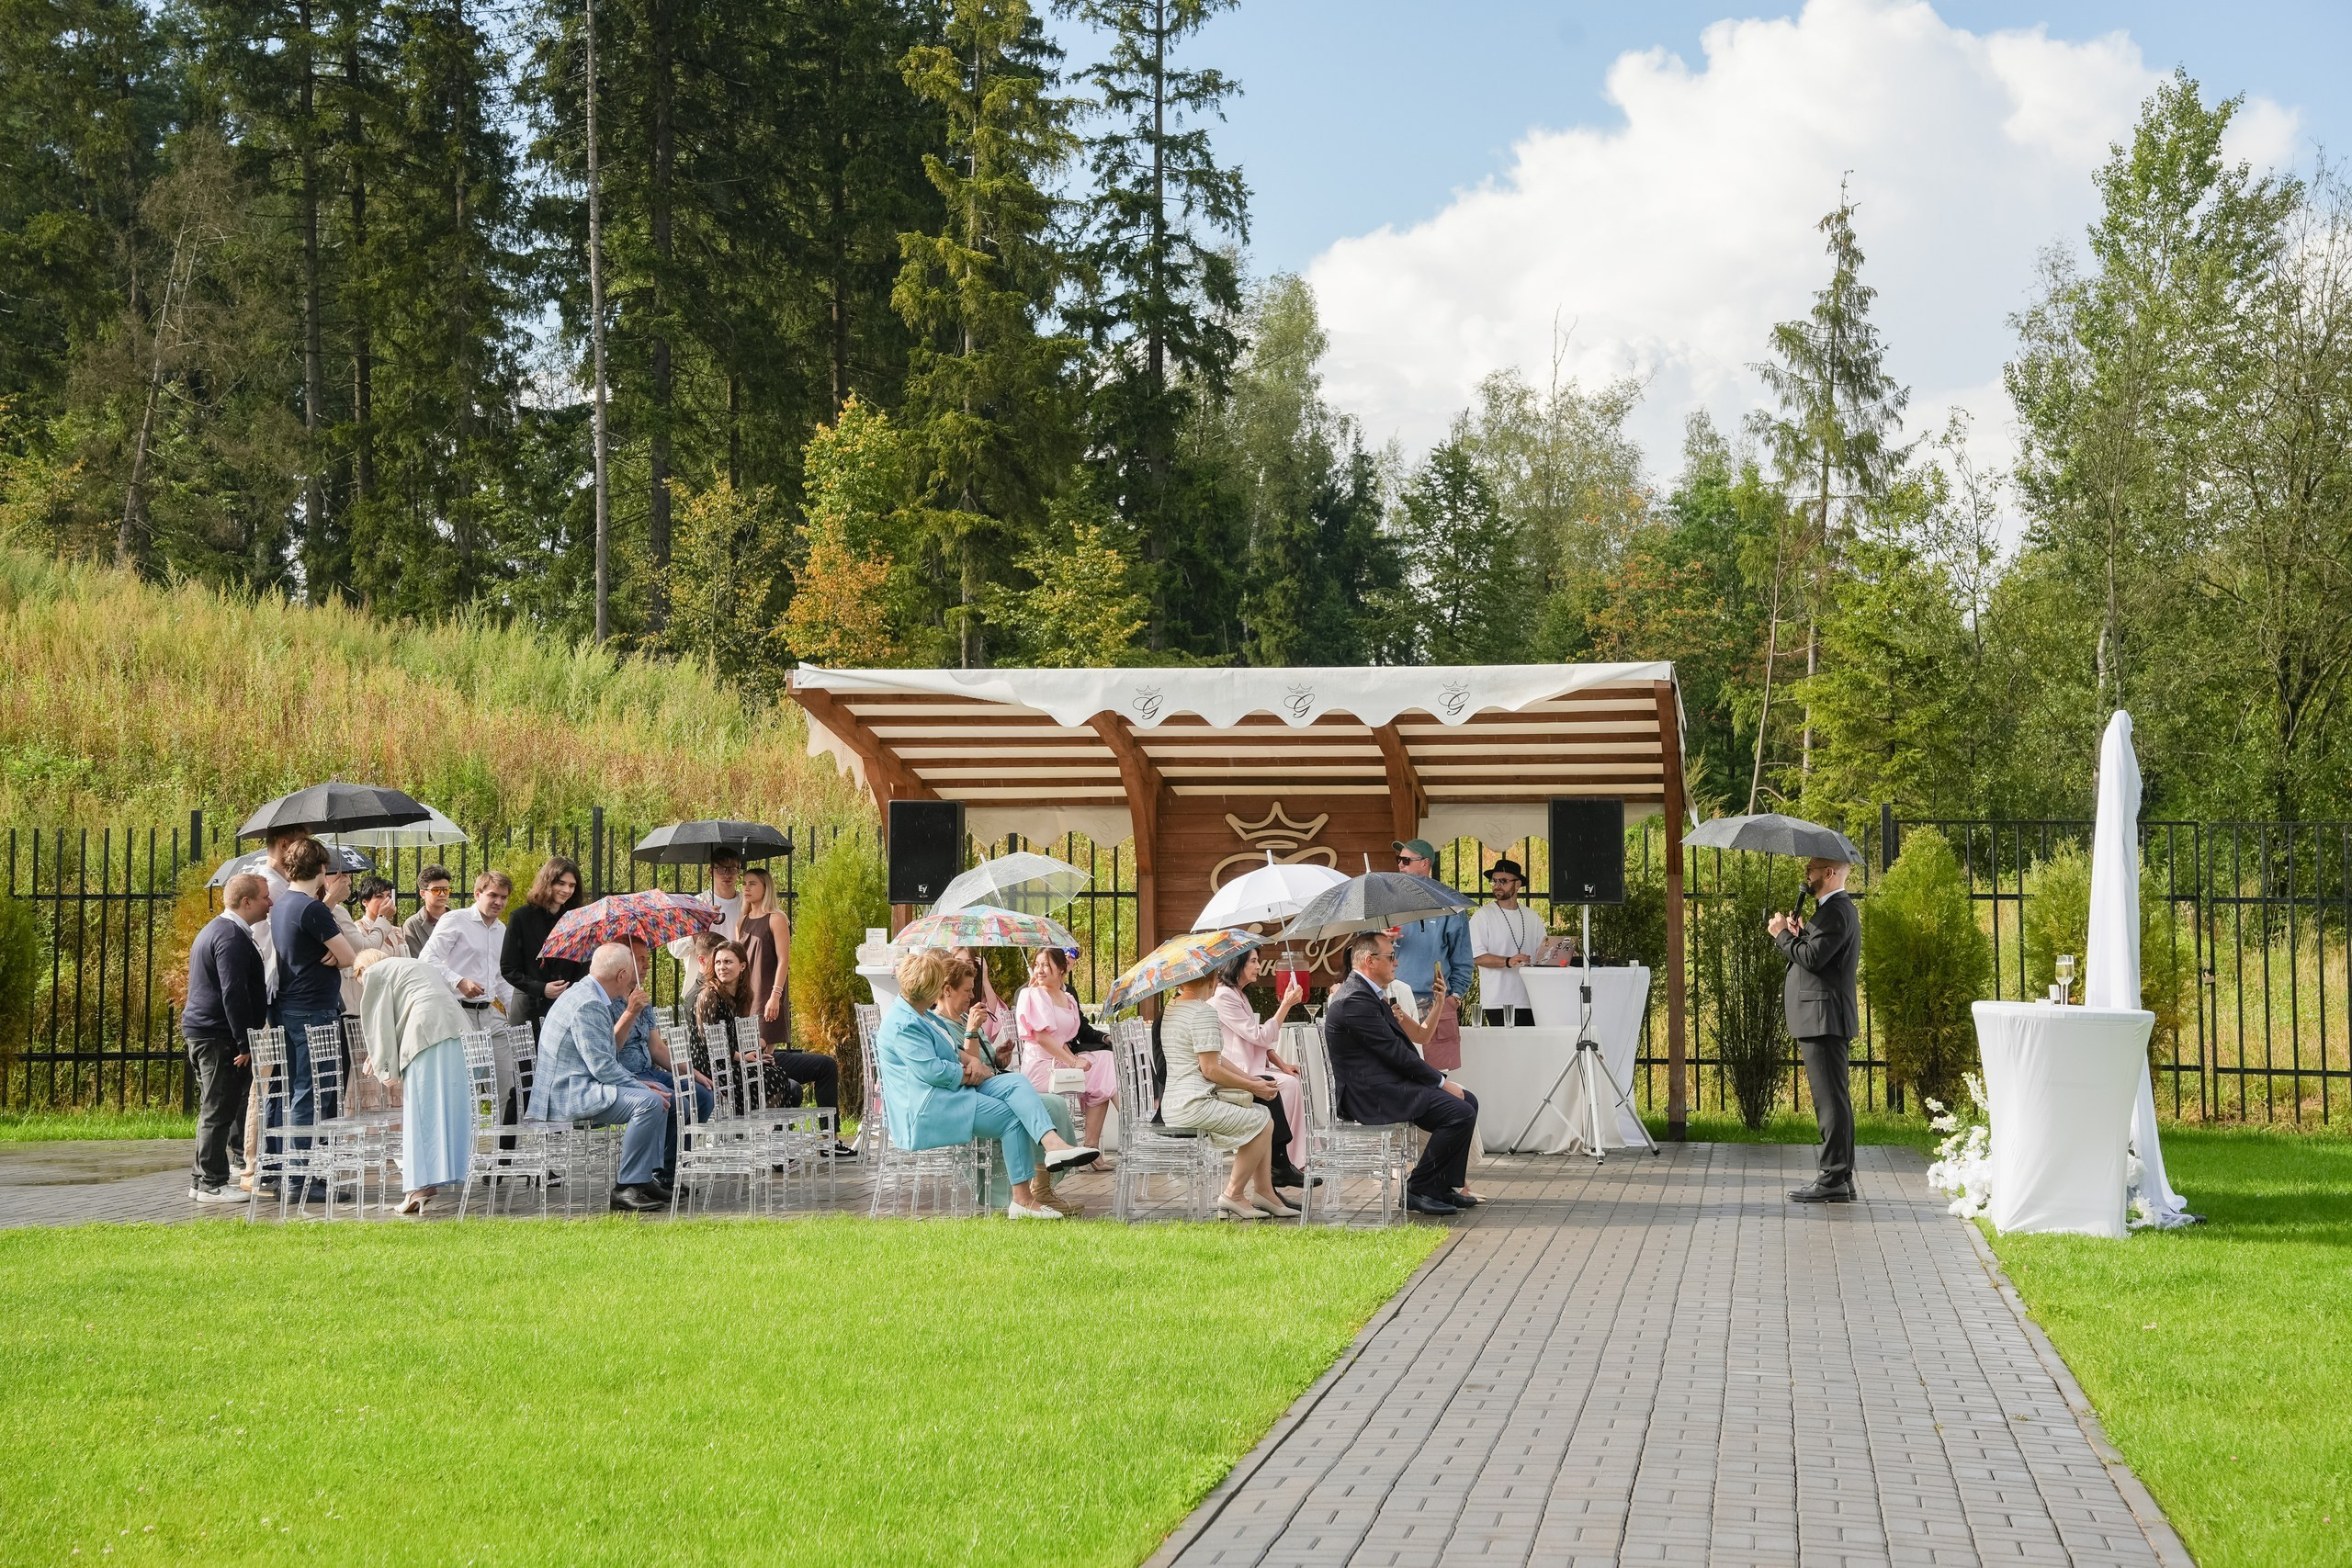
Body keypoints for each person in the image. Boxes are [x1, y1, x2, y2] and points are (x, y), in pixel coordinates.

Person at [871, 949, 1097, 1220]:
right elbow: (932, 1071)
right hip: (930, 1105)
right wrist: (970, 1071)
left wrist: (972, 1062)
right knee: (1012, 1118)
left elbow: (951, 1051)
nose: (937, 996)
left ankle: (1054, 1145)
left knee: (1014, 1081)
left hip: (953, 1089)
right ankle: (1022, 1200)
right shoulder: (903, 1023)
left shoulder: (919, 1015)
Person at [1322, 930, 1481, 1216]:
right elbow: (1395, 1055)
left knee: (1468, 1102)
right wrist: (1440, 1082)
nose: (1396, 962)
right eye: (1391, 956)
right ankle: (1418, 1188)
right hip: (1372, 1095)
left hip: (1388, 1085)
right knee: (1459, 1112)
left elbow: (1408, 1044)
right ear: (1370, 961)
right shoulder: (1354, 1000)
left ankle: (1442, 1185)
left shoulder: (1372, 995)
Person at [932, 958, 1085, 1216]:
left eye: (972, 990)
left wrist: (998, 1055)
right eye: (967, 990)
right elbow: (968, 1066)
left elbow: (984, 1059)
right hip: (972, 1093)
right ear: (947, 990)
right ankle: (1041, 1175)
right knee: (1038, 1098)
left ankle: (1042, 1188)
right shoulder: (940, 1025)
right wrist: (971, 1032)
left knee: (1054, 1102)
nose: (971, 996)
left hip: (994, 1083)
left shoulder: (965, 1017)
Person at [530, 942, 675, 1212]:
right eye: (632, 970)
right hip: (568, 1094)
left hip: (582, 1083)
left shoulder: (586, 993)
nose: (635, 977)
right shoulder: (589, 1004)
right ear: (621, 975)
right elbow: (602, 1066)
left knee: (657, 1096)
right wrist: (642, 1087)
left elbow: (601, 1061)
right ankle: (624, 1188)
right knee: (650, 1102)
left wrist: (644, 1084)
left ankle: (642, 1180)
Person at [1159, 974, 1294, 1219]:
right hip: (1194, 1105)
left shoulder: (1173, 1007)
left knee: (1262, 1115)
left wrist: (1250, 1079)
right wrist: (1253, 1087)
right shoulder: (1203, 1012)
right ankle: (1234, 1194)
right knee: (1262, 1120)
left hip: (1174, 1104)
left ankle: (1263, 1192)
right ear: (1211, 978)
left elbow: (1215, 1058)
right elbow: (1210, 1069)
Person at [353, 950, 475, 1216]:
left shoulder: (375, 973)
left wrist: (382, 1063)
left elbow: (378, 1022)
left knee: (419, 1110)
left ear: (361, 971)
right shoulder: (413, 965)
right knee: (445, 1107)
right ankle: (430, 1182)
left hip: (425, 1036)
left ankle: (417, 1188)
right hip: (454, 1031)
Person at [266, 838, 358, 1190]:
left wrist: (332, 954)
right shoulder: (312, 909)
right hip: (314, 1011)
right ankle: (302, 1176)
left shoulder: (282, 905)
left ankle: (300, 1170)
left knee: (299, 1090)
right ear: (321, 869)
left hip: (290, 1007)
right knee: (314, 1091)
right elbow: (349, 955)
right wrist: (336, 955)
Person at [1772, 856, 1861, 1203]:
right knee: (1835, 1100)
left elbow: (1812, 958)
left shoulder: (1836, 910)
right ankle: (1842, 1176)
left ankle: (1833, 1178)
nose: (1806, 874)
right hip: (1821, 1016)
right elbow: (1815, 951)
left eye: (1811, 869)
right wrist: (1800, 934)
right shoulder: (1829, 911)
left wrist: (1782, 935)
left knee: (1830, 1102)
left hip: (1824, 1018)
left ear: (1829, 872)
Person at [183, 873, 271, 1201]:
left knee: (214, 1107)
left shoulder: (217, 930)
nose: (270, 902)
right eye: (264, 897)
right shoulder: (231, 937)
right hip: (217, 1034)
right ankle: (211, 1183)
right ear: (246, 902)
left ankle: (201, 1179)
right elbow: (232, 992)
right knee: (218, 1109)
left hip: (206, 1031)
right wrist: (244, 1042)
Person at [1209, 949, 1308, 1190]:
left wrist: (1282, 1064)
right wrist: (1285, 1005)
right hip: (1238, 1071)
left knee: (1293, 1081)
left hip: (1252, 1066)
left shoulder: (1238, 995)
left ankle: (1291, 1161)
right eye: (1253, 961)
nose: (1258, 966)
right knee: (1287, 1085)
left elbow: (1258, 1041)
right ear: (1238, 964)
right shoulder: (1224, 997)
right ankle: (1284, 1163)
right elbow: (1258, 1035)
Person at [1014, 947, 1117, 1152]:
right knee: (1104, 1072)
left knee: (1105, 1063)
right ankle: (1136, 1128)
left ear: (1062, 969)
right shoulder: (1032, 994)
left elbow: (1062, 1037)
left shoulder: (1067, 998)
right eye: (1037, 965)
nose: (1040, 970)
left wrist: (1074, 1060)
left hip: (1060, 1061)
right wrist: (1073, 1062)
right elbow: (1042, 1037)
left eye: (1046, 965)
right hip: (1042, 1067)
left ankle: (1091, 1147)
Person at [501, 855, 587, 1035]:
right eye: (561, 883)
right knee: (527, 1064)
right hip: (528, 1011)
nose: (567, 890)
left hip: (566, 1009)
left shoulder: (578, 920)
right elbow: (508, 969)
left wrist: (570, 993)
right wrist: (542, 989)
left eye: (572, 886)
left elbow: (584, 964)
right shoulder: (520, 917)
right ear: (548, 882)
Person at [1391, 838, 1473, 1021]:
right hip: (1391, 1000)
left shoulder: (1449, 905)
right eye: (1399, 859)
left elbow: (1463, 959)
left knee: (1437, 1050)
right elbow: (1362, 948)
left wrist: (1455, 998)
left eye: (1406, 861)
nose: (1400, 865)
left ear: (1425, 863)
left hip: (1434, 1003)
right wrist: (1378, 937)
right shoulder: (1387, 902)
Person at [418, 870, 514, 1014]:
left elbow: (499, 976)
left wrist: (517, 1011)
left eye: (504, 897)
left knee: (518, 1037)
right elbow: (426, 958)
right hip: (456, 1010)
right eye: (492, 895)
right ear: (477, 894)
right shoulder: (456, 920)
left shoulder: (501, 929)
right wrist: (459, 981)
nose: (498, 902)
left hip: (488, 1012)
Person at [1470, 858, 1544, 1027]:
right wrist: (1508, 961)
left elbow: (1544, 954)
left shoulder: (1532, 917)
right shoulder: (1483, 916)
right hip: (1497, 1001)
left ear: (1517, 885)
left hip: (1531, 1000)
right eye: (1494, 881)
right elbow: (1476, 957)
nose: (1497, 885)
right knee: (1505, 1052)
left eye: (1503, 881)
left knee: (1529, 1052)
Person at [736, 868, 790, 1047]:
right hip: (745, 994)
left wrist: (775, 996)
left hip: (766, 993)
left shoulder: (776, 919)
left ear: (766, 888)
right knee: (747, 1052)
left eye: (752, 884)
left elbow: (784, 960)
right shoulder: (742, 921)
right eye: (744, 884)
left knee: (764, 1051)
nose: (746, 888)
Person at [668, 850, 746, 974]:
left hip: (738, 978)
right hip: (704, 980)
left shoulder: (747, 903)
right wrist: (700, 926)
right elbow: (676, 950)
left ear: (738, 872)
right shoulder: (695, 904)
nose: (727, 875)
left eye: (732, 869)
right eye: (721, 869)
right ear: (711, 871)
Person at [401, 865, 453, 954]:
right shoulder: (413, 924)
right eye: (436, 890)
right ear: (423, 893)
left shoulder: (458, 919)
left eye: (446, 890)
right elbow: (416, 959)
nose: (442, 894)